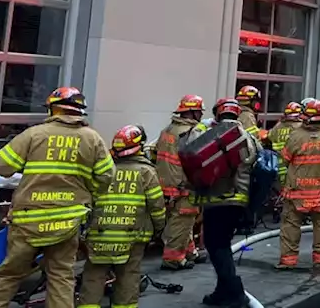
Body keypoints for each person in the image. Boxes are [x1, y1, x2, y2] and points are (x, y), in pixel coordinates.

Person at [0, 87, 114, 308]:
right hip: (67, 223)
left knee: (8, 275)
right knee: (61, 277)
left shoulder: (34, 134)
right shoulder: (93, 139)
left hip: (27, 221)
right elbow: (106, 177)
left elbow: (1, 166)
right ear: (79, 110)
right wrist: (88, 192)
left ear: (53, 108)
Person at [77, 125, 166, 308]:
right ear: (139, 146)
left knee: (94, 275)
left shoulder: (102, 169)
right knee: (128, 276)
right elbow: (157, 207)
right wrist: (158, 229)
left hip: (99, 234)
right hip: (133, 236)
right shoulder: (146, 172)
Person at [186, 99, 260, 307]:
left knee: (216, 245)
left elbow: (192, 150)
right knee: (223, 244)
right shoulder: (247, 137)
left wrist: (203, 125)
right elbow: (255, 162)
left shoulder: (210, 135)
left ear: (217, 114)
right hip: (238, 201)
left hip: (215, 200)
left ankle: (235, 292)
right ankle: (223, 291)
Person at [276, 99, 320, 269]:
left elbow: (285, 158)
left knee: (291, 226)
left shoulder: (296, 136)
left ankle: (288, 261)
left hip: (297, 192)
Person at [155, 94, 207, 270]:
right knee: (182, 220)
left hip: (165, 184)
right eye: (199, 112)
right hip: (183, 186)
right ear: (192, 113)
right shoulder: (192, 133)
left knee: (183, 221)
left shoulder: (168, 130)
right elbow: (199, 161)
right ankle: (173, 259)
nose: (200, 115)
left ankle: (189, 252)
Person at [267, 102, 303, 186]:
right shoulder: (300, 127)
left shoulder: (278, 126)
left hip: (278, 163)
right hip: (292, 164)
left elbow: (269, 137)